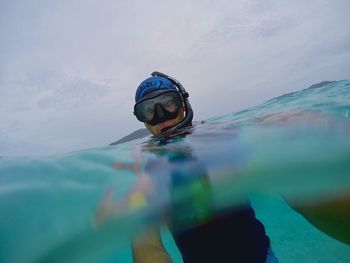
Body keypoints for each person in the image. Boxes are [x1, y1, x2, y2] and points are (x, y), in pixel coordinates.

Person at [131, 71, 278, 263]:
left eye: (168, 103)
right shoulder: (144, 166)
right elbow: (147, 245)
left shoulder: (219, 134)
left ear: (183, 104)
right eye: (148, 109)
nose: (162, 116)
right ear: (143, 120)